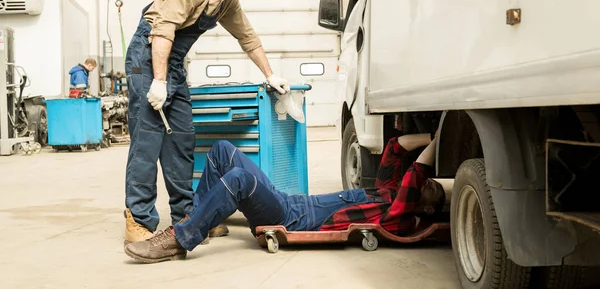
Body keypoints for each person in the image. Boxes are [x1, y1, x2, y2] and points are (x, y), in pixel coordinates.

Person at [123, 0, 291, 246]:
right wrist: (158, 82)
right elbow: (162, 31)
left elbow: (247, 37)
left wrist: (270, 74)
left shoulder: (227, 0)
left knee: (182, 140)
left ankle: (186, 216)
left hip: (171, 61)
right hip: (146, 57)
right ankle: (139, 220)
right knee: (147, 139)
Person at [124, 134, 446, 263]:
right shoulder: (387, 191)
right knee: (223, 149)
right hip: (290, 202)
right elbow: (395, 148)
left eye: (432, 188)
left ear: (428, 206)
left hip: (292, 219)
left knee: (239, 181)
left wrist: (436, 145)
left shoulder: (400, 216)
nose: (428, 183)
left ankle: (182, 238)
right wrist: (433, 137)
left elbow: (416, 173)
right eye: (431, 182)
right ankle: (197, 220)